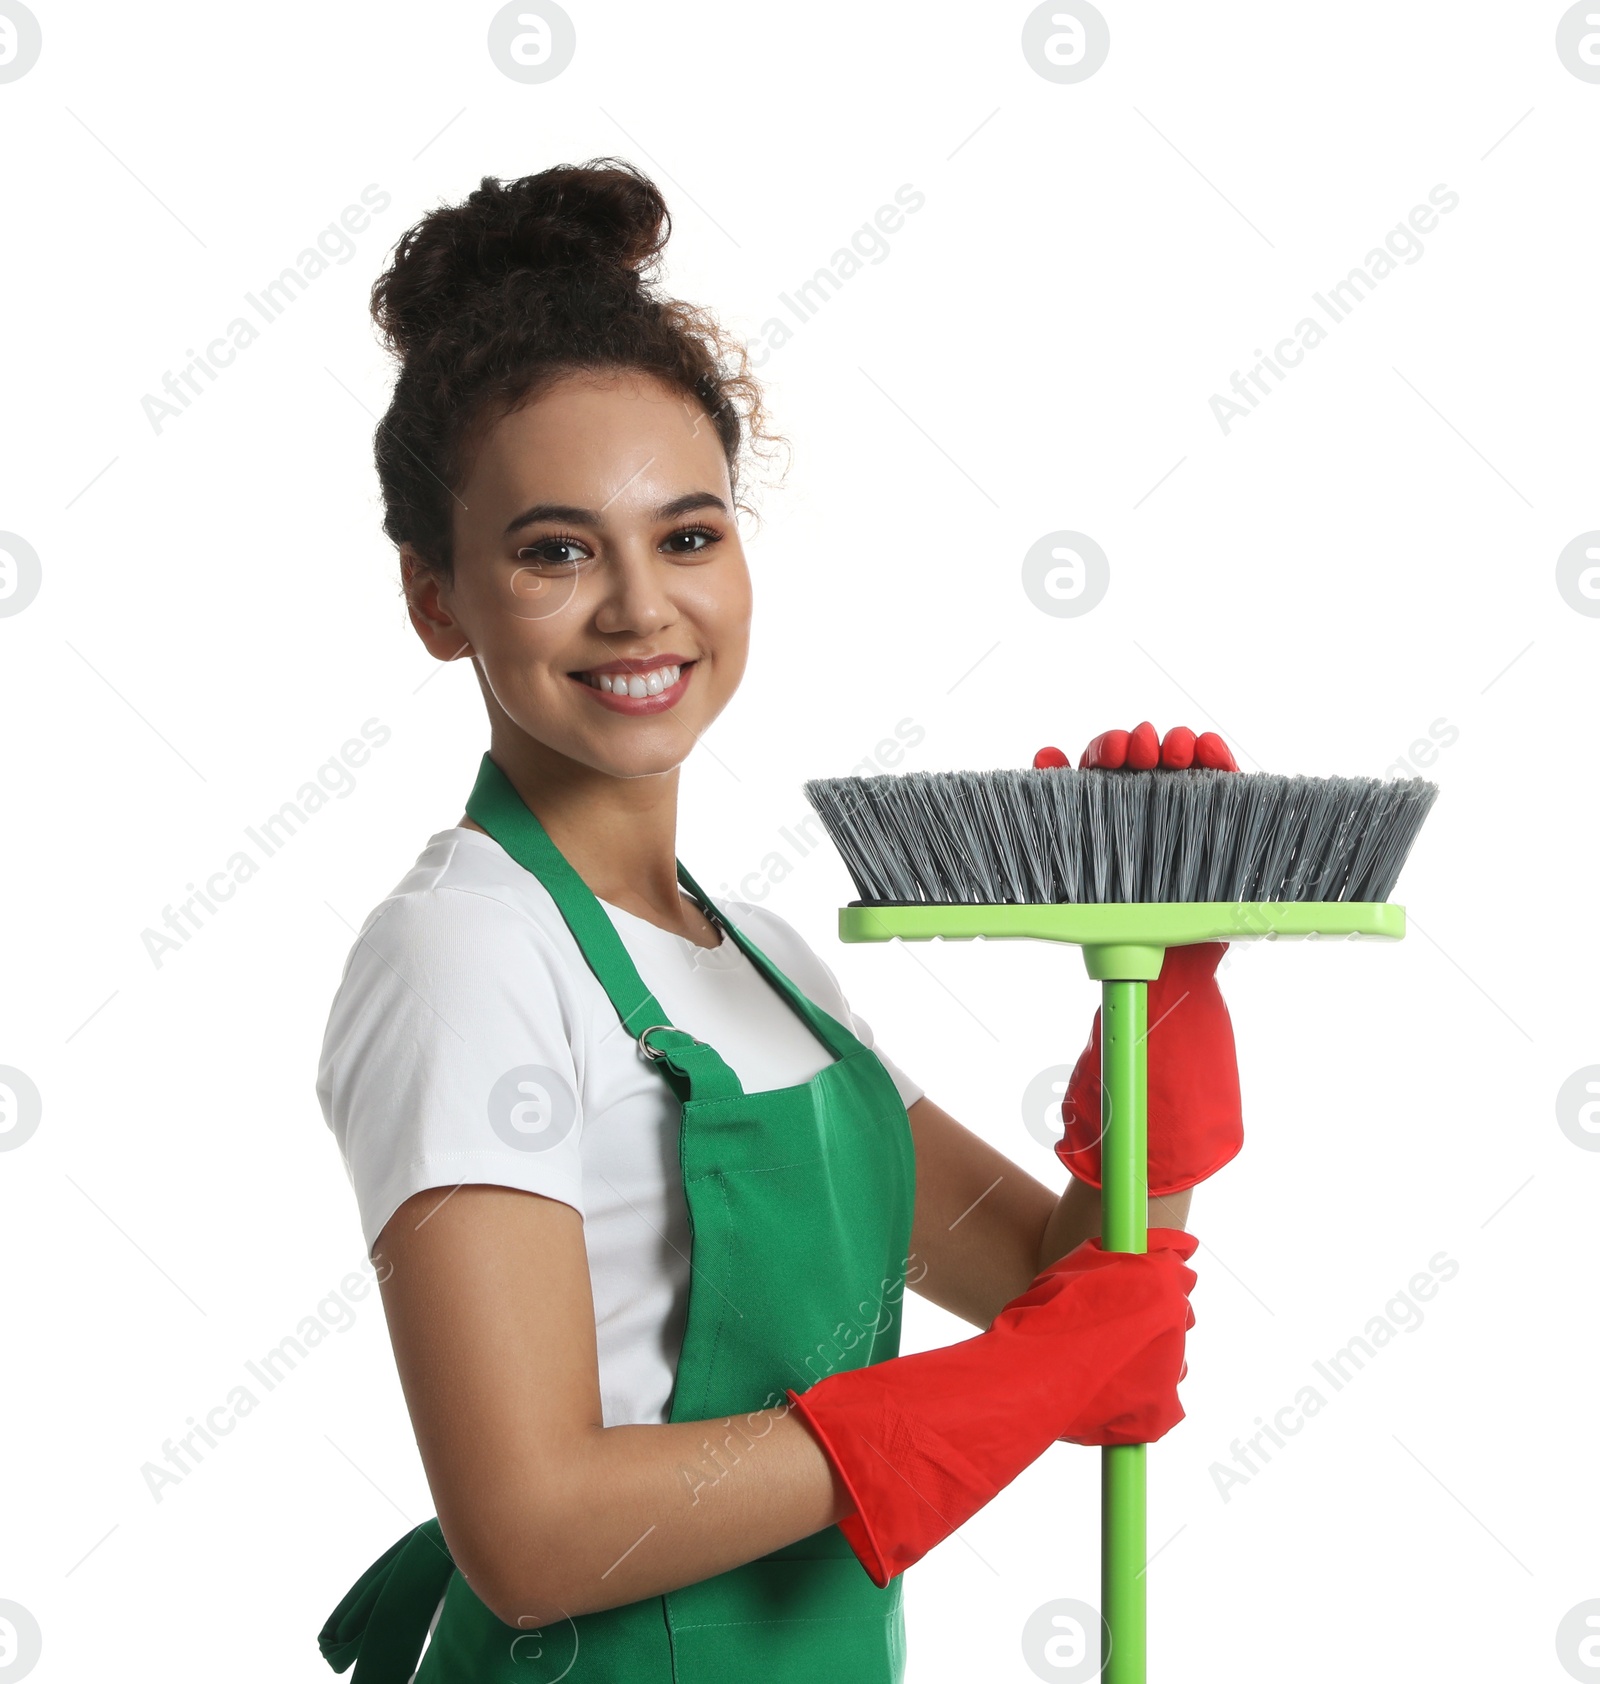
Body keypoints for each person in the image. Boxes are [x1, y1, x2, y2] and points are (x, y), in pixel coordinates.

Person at [313, 157, 1225, 1684]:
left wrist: (1171, 1014)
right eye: (554, 551)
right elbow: (529, 1531)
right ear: (437, 597)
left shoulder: (768, 965)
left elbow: (1071, 1300)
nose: (639, 610)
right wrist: (984, 1398)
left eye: (687, 536)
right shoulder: (466, 955)